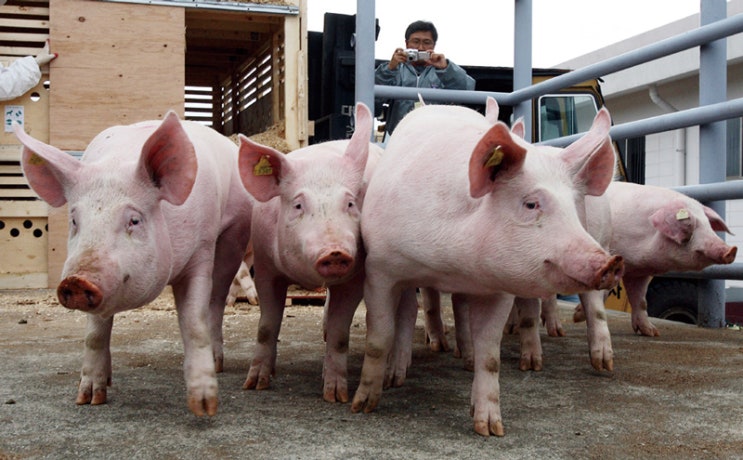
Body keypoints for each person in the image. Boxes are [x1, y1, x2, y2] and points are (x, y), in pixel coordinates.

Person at [375, 20, 475, 137]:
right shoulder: (394, 70)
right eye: (416, 41)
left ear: (434, 45)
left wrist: (446, 68)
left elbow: (467, 89)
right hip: (398, 137)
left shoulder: (443, 69)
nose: (421, 47)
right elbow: (372, 99)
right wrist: (389, 69)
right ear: (406, 44)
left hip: (434, 138)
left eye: (427, 42)